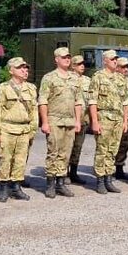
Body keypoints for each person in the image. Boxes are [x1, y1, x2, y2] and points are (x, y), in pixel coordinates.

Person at [38, 47, 83, 199]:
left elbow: (78, 101)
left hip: (70, 121)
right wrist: (44, 122)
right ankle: (50, 184)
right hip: (54, 120)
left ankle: (61, 183)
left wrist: (78, 121)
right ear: (56, 59)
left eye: (68, 57)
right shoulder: (49, 78)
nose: (67, 59)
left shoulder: (74, 78)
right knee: (53, 152)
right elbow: (43, 101)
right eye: (64, 57)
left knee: (66, 153)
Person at [0, 57, 37, 203]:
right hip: (7, 129)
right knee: (5, 159)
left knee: (21, 160)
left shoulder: (31, 88)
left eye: (26, 68)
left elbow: (34, 111)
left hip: (24, 129)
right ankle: (4, 188)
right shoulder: (3, 88)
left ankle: (16, 187)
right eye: (20, 68)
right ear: (11, 70)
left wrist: (32, 130)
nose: (25, 70)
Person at [90, 49, 128, 195]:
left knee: (113, 150)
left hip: (118, 119)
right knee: (102, 149)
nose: (115, 61)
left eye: (116, 59)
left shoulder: (120, 79)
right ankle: (100, 180)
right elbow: (92, 101)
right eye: (112, 59)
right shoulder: (98, 77)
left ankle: (109, 179)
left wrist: (125, 121)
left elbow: (125, 102)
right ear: (105, 61)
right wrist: (94, 121)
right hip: (104, 117)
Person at [68, 54, 92, 184]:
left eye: (84, 64)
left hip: (84, 119)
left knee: (78, 147)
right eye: (79, 64)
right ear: (73, 66)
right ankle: (64, 173)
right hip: (70, 119)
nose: (82, 66)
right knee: (67, 147)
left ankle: (73, 172)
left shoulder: (88, 80)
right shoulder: (68, 79)